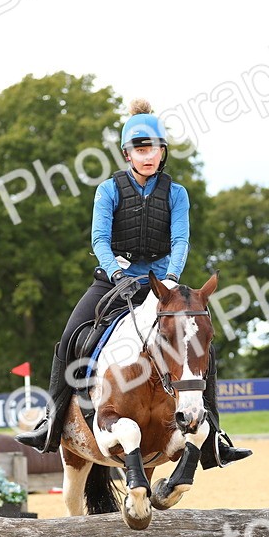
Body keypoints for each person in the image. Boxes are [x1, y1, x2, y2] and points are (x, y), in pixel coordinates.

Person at [17, 99, 251, 469]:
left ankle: (215, 437)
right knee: (70, 337)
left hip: (163, 284)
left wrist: (172, 277)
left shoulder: (177, 193)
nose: (147, 156)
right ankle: (52, 421)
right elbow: (99, 241)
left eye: (153, 149)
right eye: (140, 150)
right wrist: (117, 273)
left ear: (163, 152)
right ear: (127, 154)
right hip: (115, 281)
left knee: (200, 341)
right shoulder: (108, 190)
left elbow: (180, 241)